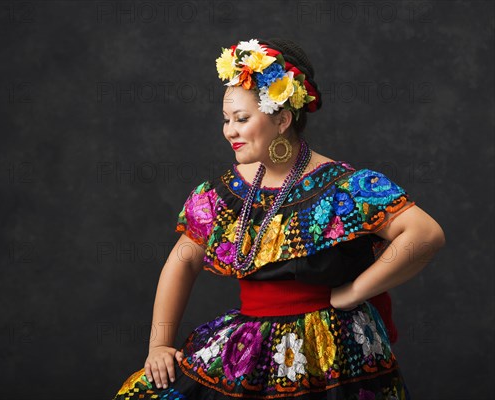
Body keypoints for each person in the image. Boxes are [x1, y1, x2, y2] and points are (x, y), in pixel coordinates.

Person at [112, 38, 445, 399]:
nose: (229, 131)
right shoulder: (223, 193)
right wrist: (159, 344)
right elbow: (183, 259)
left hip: (333, 349)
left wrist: (354, 292)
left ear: (283, 119)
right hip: (253, 344)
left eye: (242, 119)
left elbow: (424, 234)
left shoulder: (343, 187)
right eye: (226, 119)